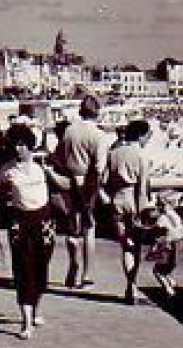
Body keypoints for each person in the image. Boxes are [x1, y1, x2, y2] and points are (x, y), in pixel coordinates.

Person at [0, 123, 73, 339]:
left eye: (22, 144)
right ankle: (26, 322)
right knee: (23, 270)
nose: (18, 149)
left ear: (29, 145)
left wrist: (51, 174)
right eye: (15, 145)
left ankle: (36, 308)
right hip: (19, 222)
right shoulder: (6, 170)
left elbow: (66, 185)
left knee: (41, 267)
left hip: (44, 221)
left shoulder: (43, 163)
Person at [52, 95, 113, 289]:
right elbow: (99, 168)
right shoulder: (100, 136)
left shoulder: (69, 131)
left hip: (68, 181)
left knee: (72, 229)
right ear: (97, 113)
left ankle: (73, 264)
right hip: (88, 182)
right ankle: (87, 274)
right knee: (89, 229)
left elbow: (59, 157)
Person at [100, 119, 153, 303]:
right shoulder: (141, 155)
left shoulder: (113, 153)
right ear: (141, 135)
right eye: (147, 135)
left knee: (125, 246)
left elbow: (103, 180)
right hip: (134, 200)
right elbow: (142, 186)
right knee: (135, 245)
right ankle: (133, 284)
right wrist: (142, 211)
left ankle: (131, 285)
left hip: (117, 200)